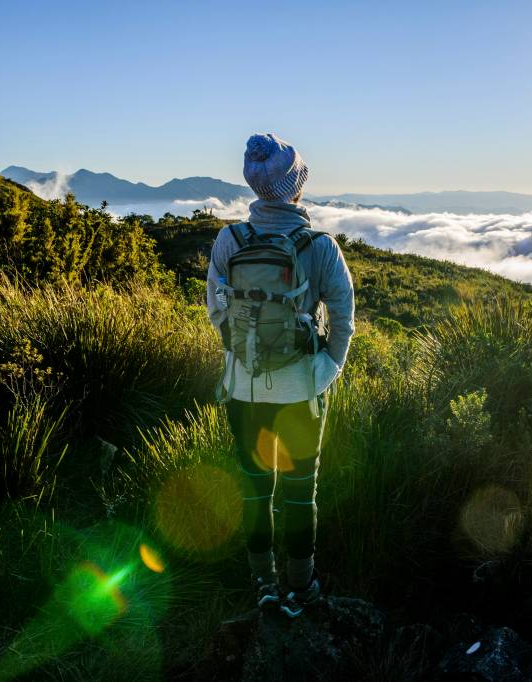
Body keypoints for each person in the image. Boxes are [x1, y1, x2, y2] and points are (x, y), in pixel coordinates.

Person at [206, 133, 354, 617]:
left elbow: (216, 311)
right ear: (297, 187)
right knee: (299, 493)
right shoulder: (321, 247)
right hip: (301, 390)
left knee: (255, 489)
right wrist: (326, 370)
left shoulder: (230, 240)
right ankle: (302, 586)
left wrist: (244, 349)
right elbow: (344, 319)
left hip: (243, 387)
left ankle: (263, 583)